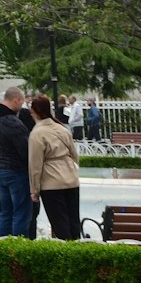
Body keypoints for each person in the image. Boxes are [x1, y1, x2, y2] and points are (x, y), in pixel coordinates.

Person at [27, 94, 81, 240]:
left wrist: (34, 189)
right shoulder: (62, 129)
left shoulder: (37, 134)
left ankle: (67, 257)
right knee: (74, 222)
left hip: (51, 182)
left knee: (60, 225)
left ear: (33, 111)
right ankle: (79, 254)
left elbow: (35, 165)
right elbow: (75, 155)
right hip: (71, 179)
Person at [0, 86, 35, 239]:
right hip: (16, 171)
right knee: (21, 212)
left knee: (5, 212)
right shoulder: (12, 122)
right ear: (16, 100)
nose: (23, 106)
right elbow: (26, 150)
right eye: (22, 102)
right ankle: (18, 249)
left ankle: (4, 245)